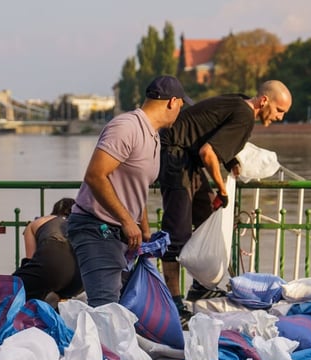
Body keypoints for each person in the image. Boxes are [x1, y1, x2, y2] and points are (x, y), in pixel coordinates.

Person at [158, 80, 292, 321]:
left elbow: (211, 134)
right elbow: (207, 152)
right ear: (264, 101)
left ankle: (200, 286)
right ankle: (173, 303)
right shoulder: (245, 116)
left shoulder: (239, 101)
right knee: (176, 234)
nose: (280, 117)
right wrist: (222, 189)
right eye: (279, 110)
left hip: (186, 158)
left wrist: (230, 162)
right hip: (175, 158)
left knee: (209, 216)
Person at [67, 75, 189, 307]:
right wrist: (126, 220)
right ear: (172, 102)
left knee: (125, 307)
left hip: (122, 233)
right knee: (107, 307)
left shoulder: (154, 136)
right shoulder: (126, 127)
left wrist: (143, 229)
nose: (180, 112)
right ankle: (98, 343)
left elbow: (135, 188)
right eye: (181, 106)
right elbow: (95, 175)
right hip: (96, 227)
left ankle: (109, 343)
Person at [12, 197, 83, 305]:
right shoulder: (81, 224)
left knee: (10, 289)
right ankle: (58, 297)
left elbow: (30, 259)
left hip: (52, 265)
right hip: (80, 279)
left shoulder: (39, 222)